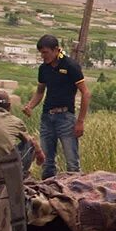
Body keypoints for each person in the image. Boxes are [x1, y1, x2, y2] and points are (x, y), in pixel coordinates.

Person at [22, 35, 91, 179]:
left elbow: (85, 93)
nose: (43, 56)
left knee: (72, 163)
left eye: (45, 52)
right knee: (47, 163)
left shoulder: (70, 66)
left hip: (65, 117)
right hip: (47, 117)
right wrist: (30, 106)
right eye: (41, 53)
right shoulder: (44, 69)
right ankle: (49, 193)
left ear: (56, 50)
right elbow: (40, 91)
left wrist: (80, 121)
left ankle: (75, 193)